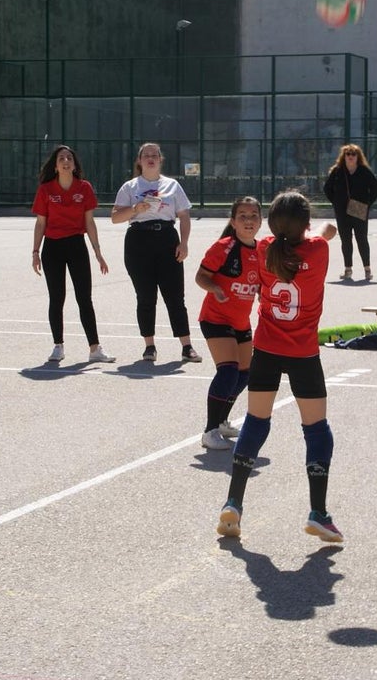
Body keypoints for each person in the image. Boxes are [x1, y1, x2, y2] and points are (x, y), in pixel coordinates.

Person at [215, 190, 343, 543]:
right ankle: (318, 512)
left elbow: (292, 239)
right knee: (316, 429)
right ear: (306, 223)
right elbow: (326, 231)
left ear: (271, 223)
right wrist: (319, 231)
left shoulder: (263, 248)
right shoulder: (318, 250)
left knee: (256, 423)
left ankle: (234, 503)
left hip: (267, 350)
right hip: (303, 353)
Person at [111, 142, 201, 363]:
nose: (150, 158)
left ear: (161, 160)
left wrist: (184, 243)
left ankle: (186, 345)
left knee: (175, 296)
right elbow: (114, 217)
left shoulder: (172, 185)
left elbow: (184, 216)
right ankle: (149, 346)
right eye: (146, 155)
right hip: (138, 240)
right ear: (139, 161)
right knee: (145, 296)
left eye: (155, 155)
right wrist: (135, 209)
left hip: (167, 239)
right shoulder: (130, 187)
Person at [31, 145, 115, 364]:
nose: (66, 161)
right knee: (56, 298)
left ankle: (95, 348)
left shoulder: (84, 188)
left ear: (75, 164)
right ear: (56, 166)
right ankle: (58, 346)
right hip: (52, 248)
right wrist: (35, 251)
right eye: (61, 158)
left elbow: (89, 222)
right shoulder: (46, 190)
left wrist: (98, 252)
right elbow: (40, 224)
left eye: (69, 158)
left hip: (77, 246)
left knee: (84, 298)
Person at [194, 197, 262, 450]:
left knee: (245, 374)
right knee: (229, 370)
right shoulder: (223, 248)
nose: (248, 220)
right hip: (215, 318)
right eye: (242, 216)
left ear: (261, 221)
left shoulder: (262, 250)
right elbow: (201, 277)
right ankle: (210, 431)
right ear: (233, 222)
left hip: (241, 322)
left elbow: (262, 284)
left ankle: (222, 420)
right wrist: (215, 289)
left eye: (253, 215)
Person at [322, 143, 377, 282]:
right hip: (342, 210)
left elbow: (376, 187)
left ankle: (367, 269)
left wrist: (367, 204)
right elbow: (327, 188)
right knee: (346, 240)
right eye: (348, 154)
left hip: (358, 208)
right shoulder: (337, 171)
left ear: (358, 156)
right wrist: (336, 202)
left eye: (353, 154)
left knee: (362, 239)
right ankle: (348, 269)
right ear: (344, 156)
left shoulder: (363, 171)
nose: (350, 156)